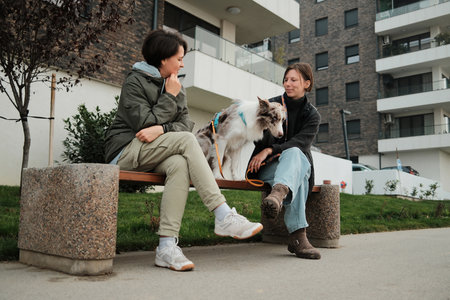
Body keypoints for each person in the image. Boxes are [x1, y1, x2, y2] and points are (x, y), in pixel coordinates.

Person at [105, 30, 262, 271]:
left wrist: (162, 128)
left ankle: (166, 247)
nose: (182, 63)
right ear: (163, 58)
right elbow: (143, 125)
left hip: (154, 150)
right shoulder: (135, 81)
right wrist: (168, 97)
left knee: (179, 164)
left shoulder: (178, 85)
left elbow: (184, 123)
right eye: (179, 58)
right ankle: (222, 215)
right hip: (126, 150)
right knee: (188, 141)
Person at [248, 62, 321, 259]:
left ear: (307, 83)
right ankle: (298, 238)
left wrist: (272, 149)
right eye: (286, 80)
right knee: (298, 173)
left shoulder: (312, 115)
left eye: (293, 80)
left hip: (291, 165)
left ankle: (278, 194)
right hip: (267, 167)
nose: (288, 84)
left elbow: (302, 143)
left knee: (296, 153)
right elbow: (256, 135)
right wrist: (267, 144)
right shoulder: (270, 105)